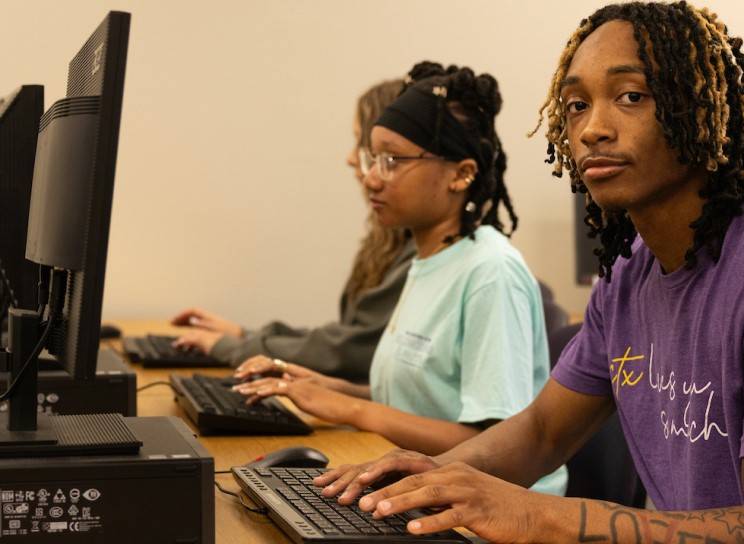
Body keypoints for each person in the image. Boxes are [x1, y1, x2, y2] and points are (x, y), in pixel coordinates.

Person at [312, 3, 744, 542]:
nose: (592, 128)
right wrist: (428, 477)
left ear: (698, 108)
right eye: (576, 105)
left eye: (631, 96)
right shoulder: (629, 273)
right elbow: (543, 432)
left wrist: (534, 513)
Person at [232, 61, 566, 496]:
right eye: (374, 158)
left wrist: (353, 410)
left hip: (488, 512)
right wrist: (326, 388)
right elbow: (429, 395)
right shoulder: (429, 259)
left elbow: (493, 448)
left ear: (462, 173)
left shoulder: (490, 272)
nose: (371, 177)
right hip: (426, 486)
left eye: (392, 161)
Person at [169, 79, 416, 382]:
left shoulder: (424, 251)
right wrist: (245, 336)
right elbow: (345, 339)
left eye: (362, 144)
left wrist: (237, 347)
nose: (352, 159)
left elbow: (350, 349)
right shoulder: (387, 239)